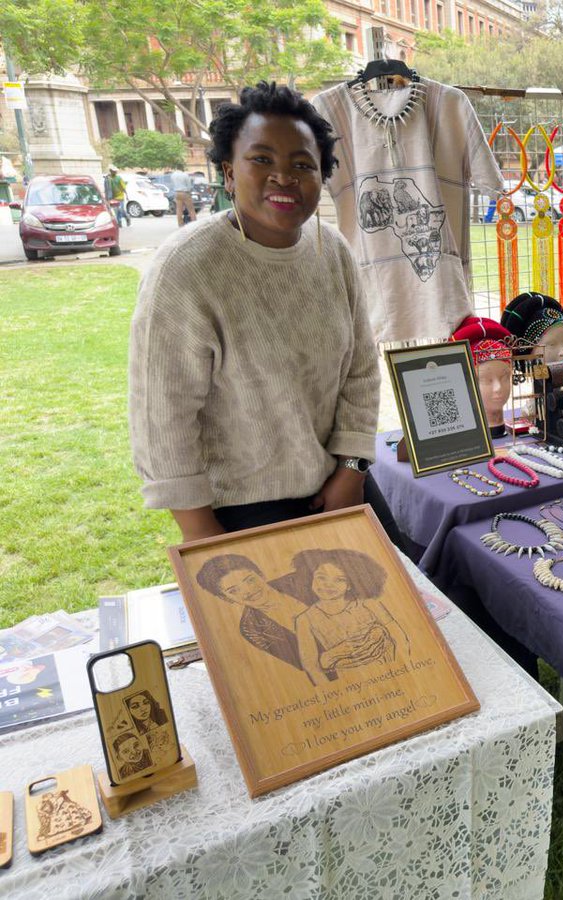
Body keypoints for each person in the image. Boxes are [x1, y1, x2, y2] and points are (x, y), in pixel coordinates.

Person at [129, 82, 404, 547]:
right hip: (237, 510)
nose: (284, 177)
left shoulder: (332, 251)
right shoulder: (186, 270)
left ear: (322, 176)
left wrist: (353, 469)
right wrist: (203, 536)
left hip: (338, 484)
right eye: (261, 160)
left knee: (407, 601)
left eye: (302, 164)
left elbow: (360, 370)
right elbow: (163, 419)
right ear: (228, 173)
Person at [283, 548, 411, 685]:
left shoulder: (370, 605)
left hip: (392, 672)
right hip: (352, 682)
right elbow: (311, 665)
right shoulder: (304, 620)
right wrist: (331, 692)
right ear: (311, 578)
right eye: (321, 577)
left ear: (350, 585)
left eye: (339, 580)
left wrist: (404, 669)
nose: (328, 585)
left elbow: (399, 637)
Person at [196, 553, 311, 671]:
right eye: (234, 591)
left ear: (261, 574)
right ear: (226, 598)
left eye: (250, 580)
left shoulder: (301, 581)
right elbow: (303, 663)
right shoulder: (251, 629)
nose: (248, 591)